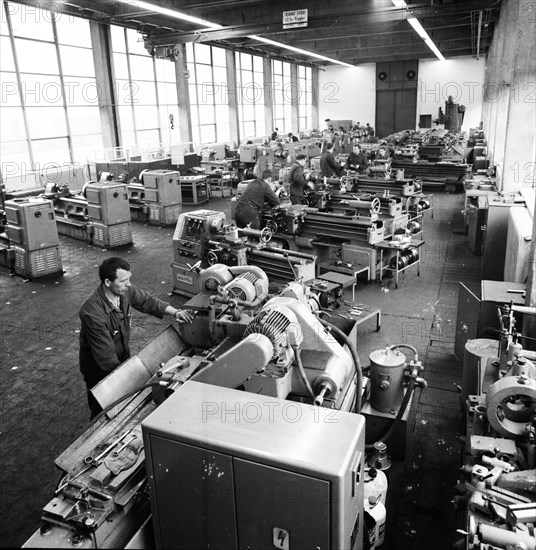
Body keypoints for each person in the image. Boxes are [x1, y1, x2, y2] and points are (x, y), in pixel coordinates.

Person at [79, 257, 194, 419]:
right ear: (107, 282)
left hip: (120, 357)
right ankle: (94, 433)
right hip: (98, 369)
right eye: (123, 280)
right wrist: (130, 383)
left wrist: (176, 312)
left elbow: (149, 302)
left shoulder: (125, 291)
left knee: (121, 401)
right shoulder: (92, 312)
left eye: (129, 279)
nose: (129, 284)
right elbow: (105, 358)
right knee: (103, 408)